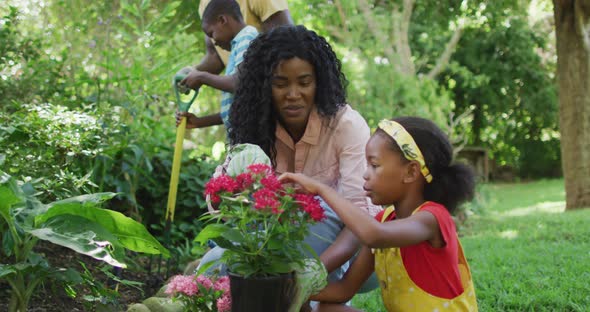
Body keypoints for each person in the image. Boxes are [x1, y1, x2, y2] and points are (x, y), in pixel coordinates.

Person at [199, 24, 381, 301]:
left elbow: (361, 217)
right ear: (263, 85)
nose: (293, 94)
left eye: (304, 83)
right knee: (211, 264)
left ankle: (301, 291)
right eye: (280, 84)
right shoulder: (254, 125)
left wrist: (310, 274)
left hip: (352, 253)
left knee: (309, 212)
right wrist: (232, 194)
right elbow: (219, 204)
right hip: (273, 243)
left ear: (319, 82)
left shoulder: (346, 125)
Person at [280, 117, 479, 311]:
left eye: (374, 165)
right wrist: (288, 291)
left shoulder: (432, 218)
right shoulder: (383, 221)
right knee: (327, 309)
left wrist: (322, 189)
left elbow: (374, 234)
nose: (365, 174)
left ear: (410, 172)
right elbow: (343, 291)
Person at [175, 0, 293, 132]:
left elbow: (240, 83)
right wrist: (200, 122)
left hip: (263, 127)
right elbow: (240, 108)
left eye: (212, 34)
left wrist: (201, 77)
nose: (214, 42)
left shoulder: (247, 38)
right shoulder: (234, 50)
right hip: (242, 134)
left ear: (222, 20)